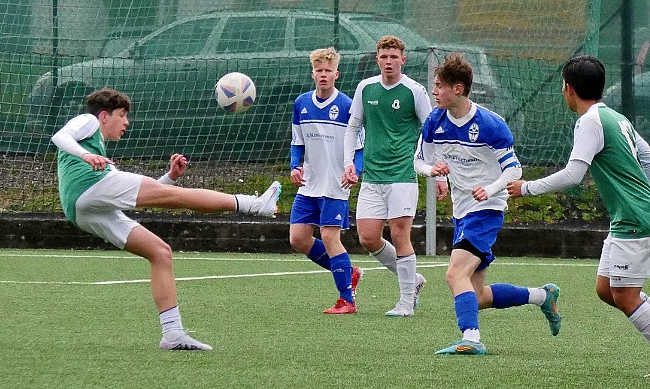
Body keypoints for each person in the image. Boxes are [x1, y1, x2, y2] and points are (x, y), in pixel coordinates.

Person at [507, 55, 650, 378]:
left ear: (568, 89)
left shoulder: (590, 122)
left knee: (624, 295)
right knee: (606, 288)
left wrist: (526, 188)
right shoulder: (613, 117)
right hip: (632, 216)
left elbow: (573, 174)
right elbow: (649, 156)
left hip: (634, 219)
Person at [51, 87, 281, 351]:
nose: (126, 122)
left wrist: (169, 178)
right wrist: (85, 155)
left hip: (81, 209)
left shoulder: (102, 156)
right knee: (176, 197)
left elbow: (146, 197)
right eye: (122, 115)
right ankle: (253, 204)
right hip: (87, 187)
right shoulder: (89, 121)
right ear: (104, 116)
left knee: (160, 253)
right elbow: (60, 136)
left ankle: (172, 333)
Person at [414, 52, 560, 355]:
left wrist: (491, 189)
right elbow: (419, 161)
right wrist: (434, 172)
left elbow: (514, 170)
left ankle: (471, 338)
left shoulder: (491, 124)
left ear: (458, 89)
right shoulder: (434, 121)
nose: (434, 91)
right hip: (461, 210)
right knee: (477, 295)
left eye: (440, 85)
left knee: (455, 274)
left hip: (487, 209)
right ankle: (542, 296)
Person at [342, 35, 435, 316]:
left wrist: (436, 173)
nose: (389, 62)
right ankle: (413, 280)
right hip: (372, 176)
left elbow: (430, 131)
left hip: (402, 175)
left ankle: (406, 301)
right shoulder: (365, 88)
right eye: (384, 57)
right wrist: (349, 163)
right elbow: (353, 127)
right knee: (368, 238)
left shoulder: (414, 91)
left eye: (394, 57)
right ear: (377, 59)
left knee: (398, 234)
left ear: (403, 60)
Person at [289, 48, 365, 314]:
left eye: (328, 71)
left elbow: (359, 147)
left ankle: (347, 299)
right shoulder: (301, 103)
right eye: (319, 71)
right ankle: (349, 272)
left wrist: (354, 169)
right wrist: (295, 167)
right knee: (298, 238)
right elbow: (297, 142)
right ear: (313, 74)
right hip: (310, 183)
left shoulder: (347, 106)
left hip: (336, 184)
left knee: (330, 237)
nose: (323, 75)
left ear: (336, 74)